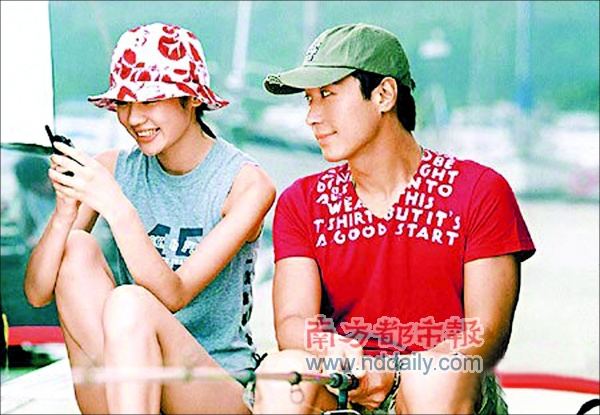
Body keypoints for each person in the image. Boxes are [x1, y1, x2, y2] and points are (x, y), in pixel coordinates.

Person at [252, 23, 535, 414]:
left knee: (433, 379)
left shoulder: (480, 190)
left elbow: (486, 334)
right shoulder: (302, 201)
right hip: (348, 383)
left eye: (328, 95)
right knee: (283, 373)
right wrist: (333, 348)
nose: (312, 117)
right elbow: (293, 321)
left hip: (445, 385)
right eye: (309, 100)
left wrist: (399, 374)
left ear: (384, 94)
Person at [23, 22, 275, 414]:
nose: (134, 117)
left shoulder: (245, 184)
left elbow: (174, 295)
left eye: (150, 100)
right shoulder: (115, 168)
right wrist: (64, 212)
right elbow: (38, 293)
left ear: (192, 98)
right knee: (75, 247)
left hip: (214, 387)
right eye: (124, 103)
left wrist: (117, 206)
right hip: (130, 385)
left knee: (129, 303)